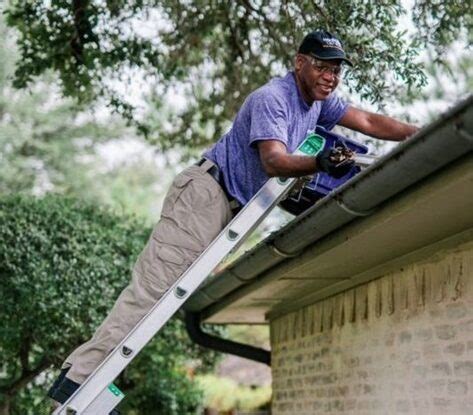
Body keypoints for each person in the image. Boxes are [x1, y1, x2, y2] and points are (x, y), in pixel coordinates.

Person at [48, 29, 418, 409]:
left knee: (162, 300)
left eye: (337, 70)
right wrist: (319, 162)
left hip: (229, 208)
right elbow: (273, 161)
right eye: (322, 66)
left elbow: (370, 123)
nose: (330, 76)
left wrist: (417, 135)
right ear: (300, 63)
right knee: (152, 293)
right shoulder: (272, 99)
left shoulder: (318, 104)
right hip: (206, 195)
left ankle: (84, 376)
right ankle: (78, 381)